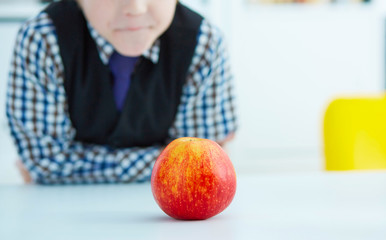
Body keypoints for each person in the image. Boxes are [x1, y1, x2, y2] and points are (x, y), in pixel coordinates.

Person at [6, 0, 237, 184]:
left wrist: (63, 167)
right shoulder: (43, 38)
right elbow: (44, 161)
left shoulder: (202, 42)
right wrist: (166, 164)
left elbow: (201, 168)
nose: (135, 8)